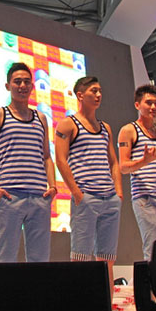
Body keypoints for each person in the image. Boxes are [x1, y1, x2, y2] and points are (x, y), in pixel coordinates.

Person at [0, 63, 56, 263]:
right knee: (5, 258)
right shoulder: (0, 114)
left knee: (40, 260)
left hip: (39, 197)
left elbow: (47, 156)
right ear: (8, 86)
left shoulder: (41, 118)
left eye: (26, 82)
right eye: (17, 82)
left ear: (32, 86)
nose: (22, 85)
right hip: (10, 197)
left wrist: (53, 186)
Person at [54, 76, 121, 298]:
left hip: (110, 199)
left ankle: (106, 310)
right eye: (94, 90)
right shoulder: (68, 124)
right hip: (87, 198)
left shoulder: (105, 128)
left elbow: (113, 162)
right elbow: (60, 160)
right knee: (81, 257)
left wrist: (118, 192)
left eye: (100, 90)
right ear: (80, 95)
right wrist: (76, 192)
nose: (99, 95)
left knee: (107, 259)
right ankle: (80, 307)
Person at [117, 84, 156, 262]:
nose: (153, 107)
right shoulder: (129, 130)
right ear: (137, 105)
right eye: (148, 103)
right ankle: (153, 281)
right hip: (147, 199)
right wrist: (144, 161)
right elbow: (123, 167)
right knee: (153, 250)